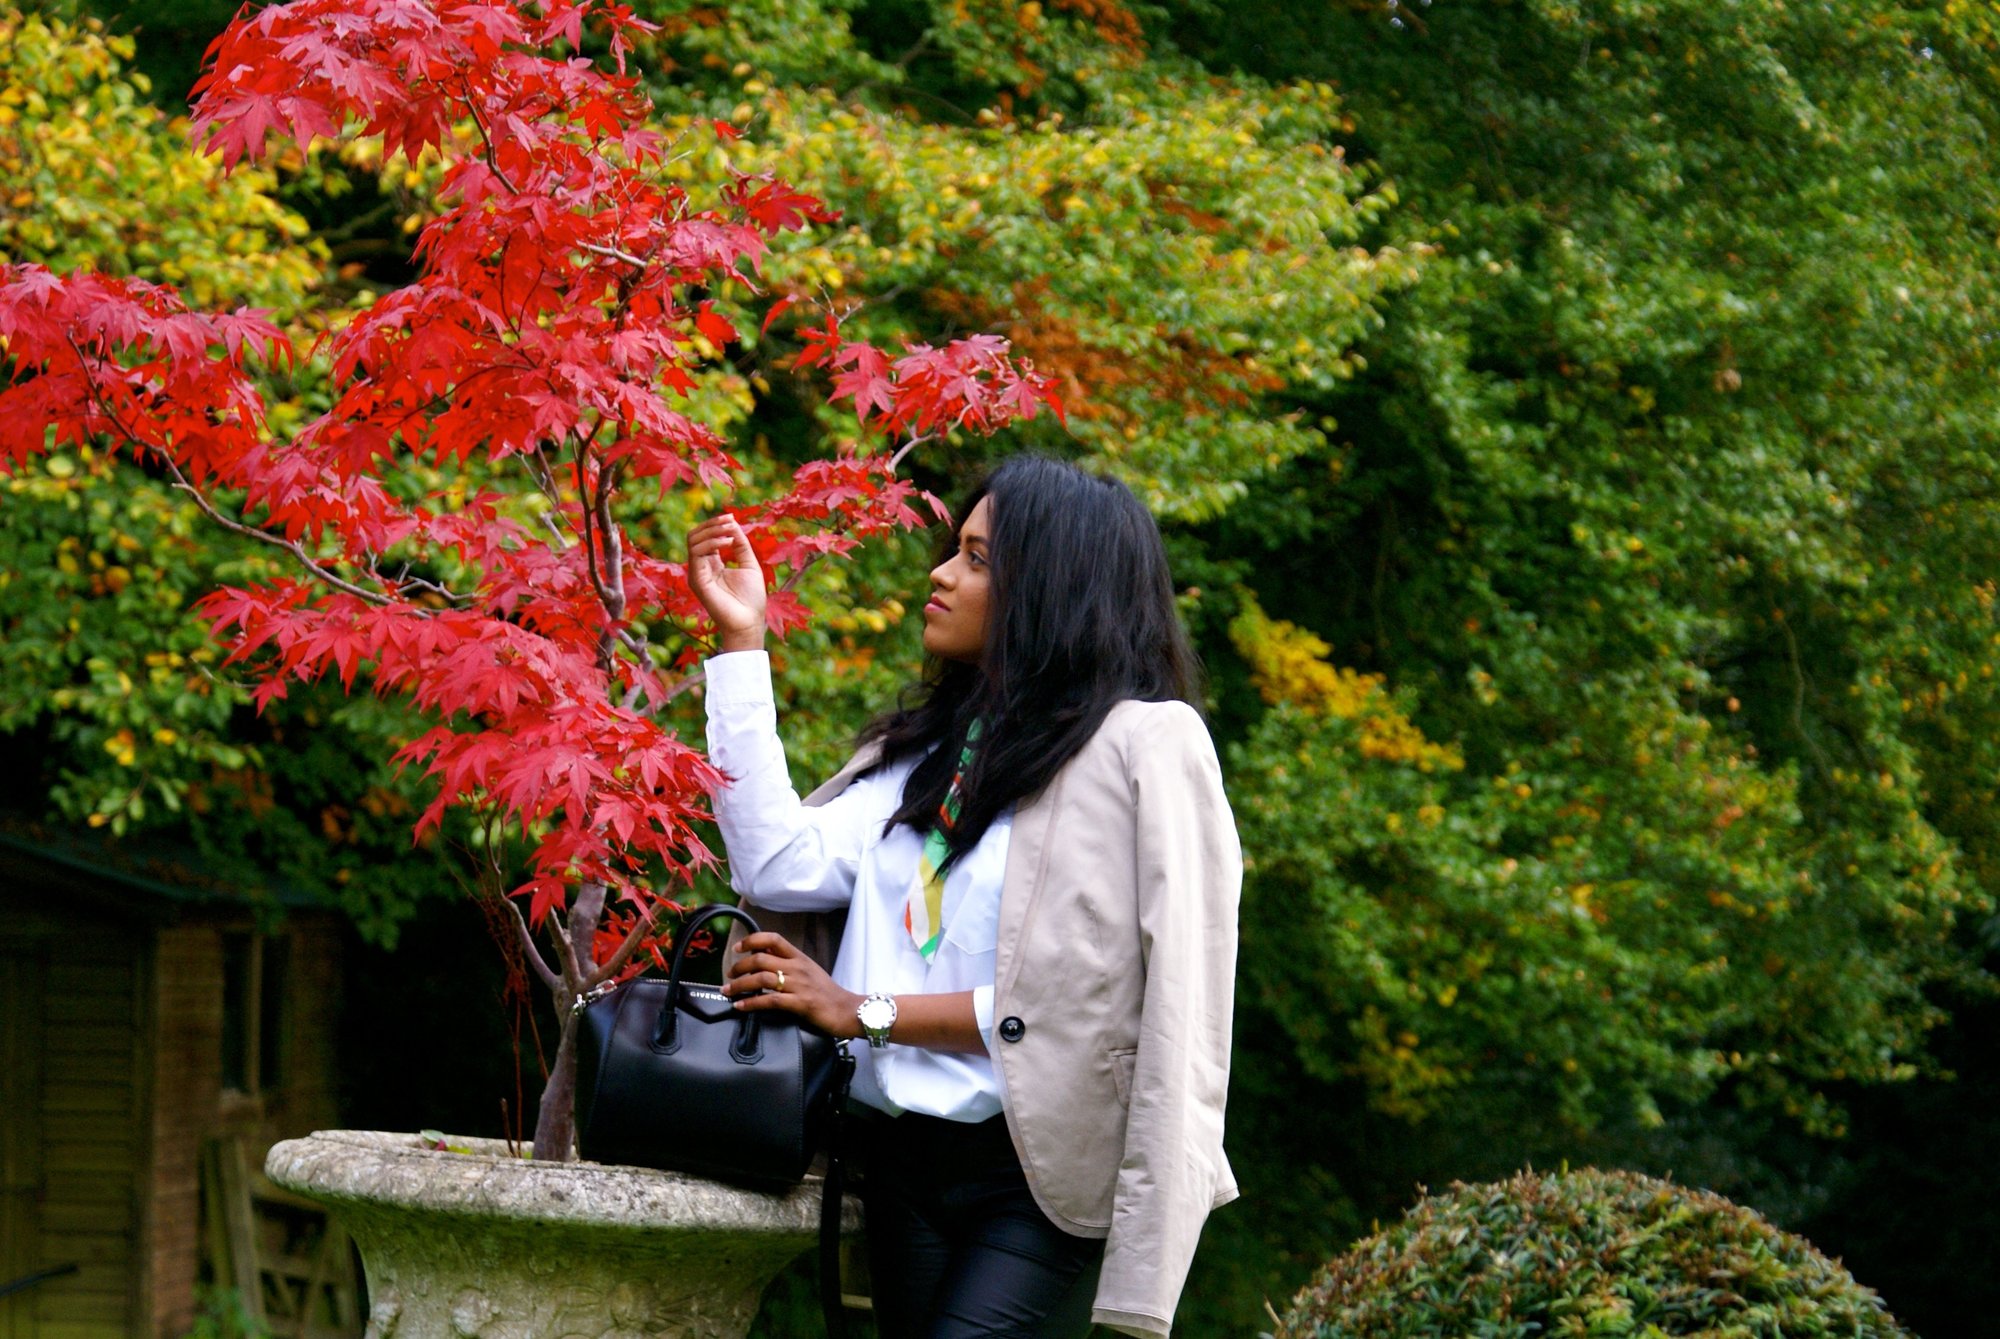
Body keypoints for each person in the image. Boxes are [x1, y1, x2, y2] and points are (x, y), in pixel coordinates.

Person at [687, 455, 1241, 1339]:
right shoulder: (925, 755)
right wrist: (742, 644)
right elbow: (777, 865)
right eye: (956, 549)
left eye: (979, 558)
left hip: (1037, 1175)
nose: (941, 573)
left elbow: (1113, 1009)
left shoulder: (1145, 748)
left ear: (1051, 590)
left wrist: (859, 1008)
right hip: (900, 1158)